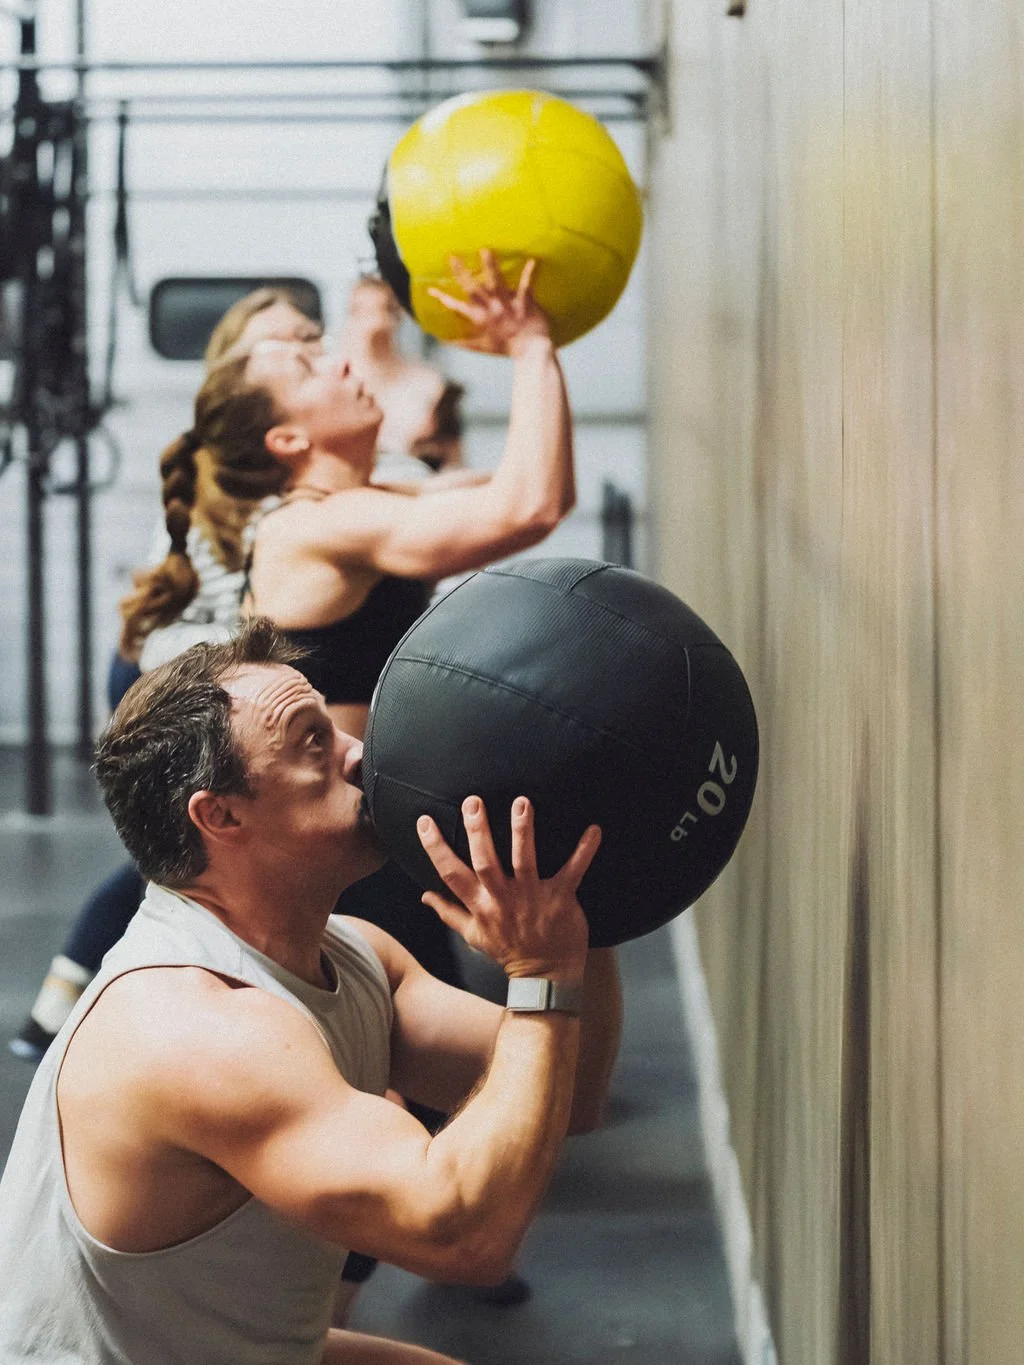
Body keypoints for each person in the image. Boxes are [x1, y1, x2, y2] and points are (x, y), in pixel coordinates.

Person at [0, 619, 623, 1364]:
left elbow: (573, 1088)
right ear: (220, 815)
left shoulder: (356, 959)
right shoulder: (197, 1026)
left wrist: (587, 915)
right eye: (312, 742)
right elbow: (461, 1233)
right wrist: (541, 972)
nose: (358, 752)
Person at [9, 287, 329, 1061]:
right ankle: (62, 1011)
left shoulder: (276, 464)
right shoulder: (232, 476)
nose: (309, 349)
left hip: (172, 668)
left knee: (179, 864)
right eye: (283, 345)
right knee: (174, 864)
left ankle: (58, 1005)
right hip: (166, 677)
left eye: (310, 335)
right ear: (242, 373)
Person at [340, 273, 465, 483]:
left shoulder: (431, 385)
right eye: (363, 311)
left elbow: (455, 460)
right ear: (351, 315)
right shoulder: (334, 381)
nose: (377, 321)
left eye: (387, 310)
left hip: (421, 490)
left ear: (399, 315)